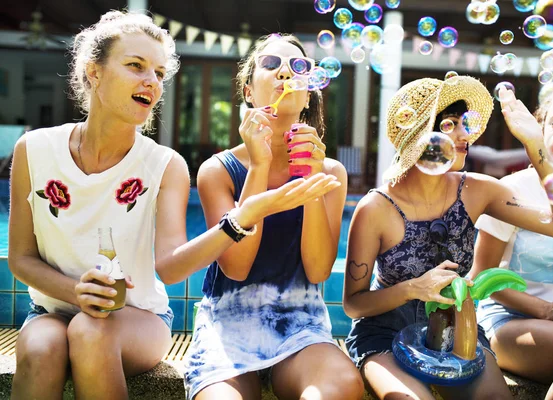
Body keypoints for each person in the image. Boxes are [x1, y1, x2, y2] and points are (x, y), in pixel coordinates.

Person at [8, 13, 341, 400]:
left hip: (134, 316)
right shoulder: (33, 151)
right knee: (38, 347)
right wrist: (73, 290)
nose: (151, 81)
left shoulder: (164, 165)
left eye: (159, 73)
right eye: (136, 66)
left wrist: (244, 216)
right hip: (51, 309)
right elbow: (20, 258)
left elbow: (170, 267)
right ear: (93, 72)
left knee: (88, 331)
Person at [342, 76, 553, 400]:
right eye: (448, 125)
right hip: (385, 332)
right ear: (417, 133)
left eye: (464, 123)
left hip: (459, 327)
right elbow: (353, 305)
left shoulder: (476, 190)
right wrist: (414, 288)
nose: (463, 134)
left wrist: (534, 143)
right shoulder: (375, 208)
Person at [184, 33, 364, 400]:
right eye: (270, 64)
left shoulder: (330, 171)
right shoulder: (217, 170)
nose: (285, 72)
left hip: (301, 324)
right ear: (249, 91)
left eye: (298, 66)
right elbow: (236, 267)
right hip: (228, 322)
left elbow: (317, 271)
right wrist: (260, 166)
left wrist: (312, 179)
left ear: (309, 90)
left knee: (341, 387)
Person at [472, 84, 553, 399]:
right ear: (540, 130)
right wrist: (545, 309)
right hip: (509, 323)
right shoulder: (512, 191)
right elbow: (480, 278)